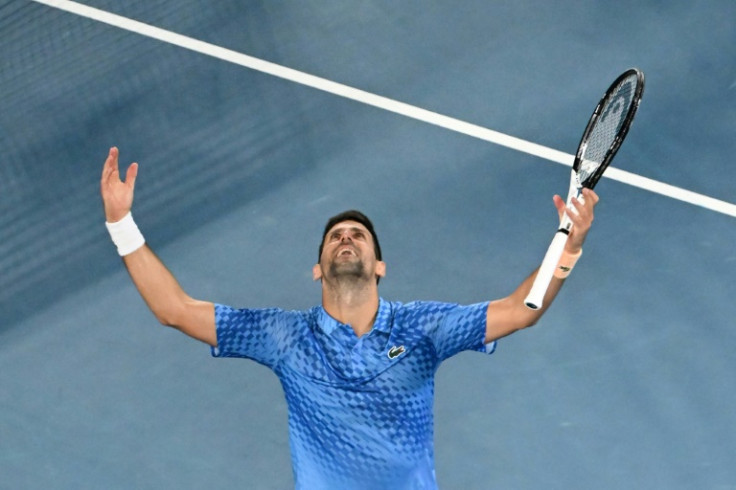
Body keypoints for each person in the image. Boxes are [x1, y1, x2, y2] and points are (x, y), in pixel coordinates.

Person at [100, 146, 599, 489]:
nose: (346, 238)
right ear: (317, 269)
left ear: (379, 266)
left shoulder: (423, 328)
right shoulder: (284, 337)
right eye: (336, 235)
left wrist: (567, 246)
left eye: (358, 236)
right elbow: (174, 310)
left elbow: (521, 310)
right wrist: (121, 223)